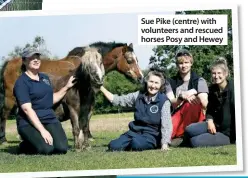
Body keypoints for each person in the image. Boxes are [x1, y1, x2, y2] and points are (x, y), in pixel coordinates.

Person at [13, 46, 76, 155]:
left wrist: (67, 87)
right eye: (32, 57)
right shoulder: (21, 83)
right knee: (47, 149)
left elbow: (51, 99)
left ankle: (39, 140)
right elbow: (27, 110)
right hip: (28, 122)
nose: (36, 59)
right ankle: (25, 145)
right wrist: (43, 131)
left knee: (62, 148)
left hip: (49, 119)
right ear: (24, 61)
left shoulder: (44, 78)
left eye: (37, 56)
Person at [100, 70, 172, 151]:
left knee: (136, 144)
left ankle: (132, 144)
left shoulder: (164, 101)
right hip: (134, 132)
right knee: (113, 146)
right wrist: (100, 87)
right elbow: (118, 100)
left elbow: (166, 124)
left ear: (161, 85)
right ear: (146, 81)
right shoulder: (138, 95)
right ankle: (128, 143)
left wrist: (165, 144)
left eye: (156, 83)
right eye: (151, 81)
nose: (153, 85)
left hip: (151, 135)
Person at [183, 57, 236, 147]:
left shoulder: (233, 88)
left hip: (228, 133)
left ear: (226, 74)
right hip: (215, 124)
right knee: (189, 129)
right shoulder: (212, 89)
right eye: (214, 73)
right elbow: (209, 110)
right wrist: (210, 121)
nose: (216, 76)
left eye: (219, 73)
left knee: (195, 141)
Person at [165, 49, 209, 146]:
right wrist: (181, 96)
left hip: (195, 114)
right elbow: (173, 102)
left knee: (192, 103)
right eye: (180, 63)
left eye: (186, 62)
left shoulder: (200, 80)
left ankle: (184, 136)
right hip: (177, 114)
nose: (184, 66)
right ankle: (180, 137)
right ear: (177, 65)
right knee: (165, 135)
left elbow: (205, 103)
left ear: (191, 63)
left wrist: (193, 92)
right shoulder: (169, 82)